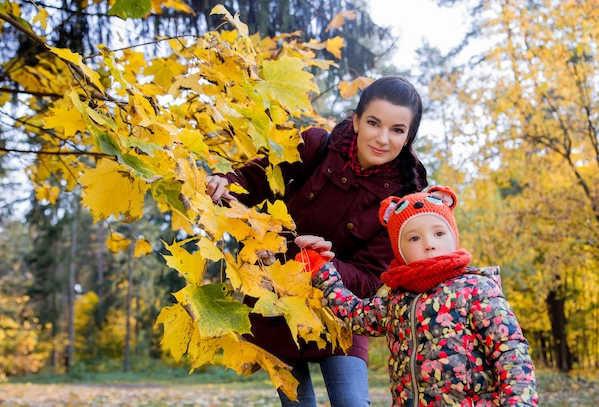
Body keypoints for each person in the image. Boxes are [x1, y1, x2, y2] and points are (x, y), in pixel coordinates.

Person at [206, 76, 429, 406]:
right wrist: (221, 182)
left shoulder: (402, 203)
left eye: (397, 130)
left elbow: (368, 279)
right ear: (356, 120)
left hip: (339, 313)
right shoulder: (314, 146)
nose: (382, 138)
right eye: (373, 123)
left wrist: (326, 263)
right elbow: (253, 179)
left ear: (408, 137)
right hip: (276, 302)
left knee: (351, 402)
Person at [300, 186, 539, 406]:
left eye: (438, 233)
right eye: (414, 238)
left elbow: (510, 353)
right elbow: (353, 314)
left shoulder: (477, 289)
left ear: (453, 237)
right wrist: (321, 267)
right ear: (399, 249)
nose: (429, 244)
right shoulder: (397, 301)